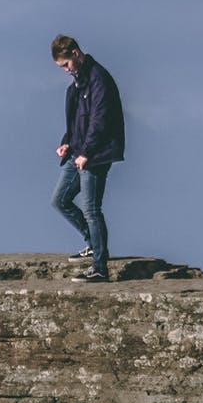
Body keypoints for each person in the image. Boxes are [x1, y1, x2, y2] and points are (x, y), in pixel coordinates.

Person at [50, 34, 125, 282]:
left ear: (75, 53)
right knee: (60, 200)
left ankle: (100, 267)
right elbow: (77, 121)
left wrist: (86, 153)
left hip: (95, 155)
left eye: (65, 65)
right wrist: (67, 142)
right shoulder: (78, 82)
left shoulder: (98, 79)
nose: (65, 71)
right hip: (79, 151)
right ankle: (92, 243)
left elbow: (99, 121)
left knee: (91, 209)